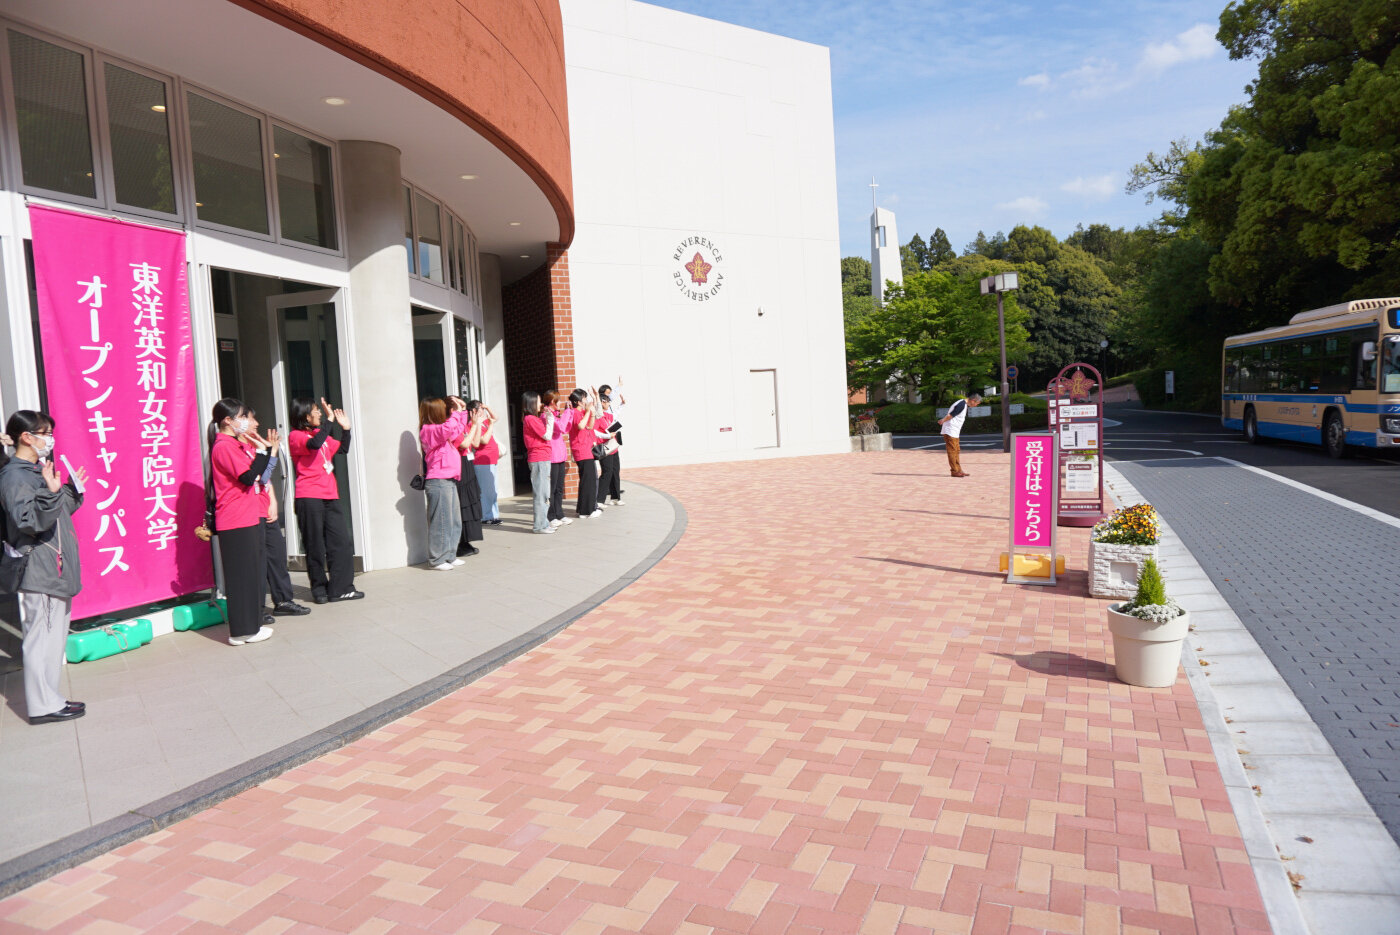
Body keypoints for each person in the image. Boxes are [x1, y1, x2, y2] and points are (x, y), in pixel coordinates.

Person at [0, 412, 88, 724]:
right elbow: (29, 521)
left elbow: (54, 513)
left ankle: (50, 698)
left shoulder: (34, 471)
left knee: (52, 639)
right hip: (40, 567)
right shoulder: (15, 476)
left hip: (53, 566)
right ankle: (42, 705)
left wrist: (69, 491)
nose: (49, 439)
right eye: (44, 433)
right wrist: (51, 495)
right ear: (26, 436)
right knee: (42, 640)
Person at [207, 398, 278, 645]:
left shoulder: (234, 445)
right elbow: (248, 477)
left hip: (246, 515)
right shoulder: (224, 446)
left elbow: (255, 475)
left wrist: (263, 452)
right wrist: (262, 452)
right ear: (228, 420)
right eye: (243, 417)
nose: (247, 422)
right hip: (234, 518)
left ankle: (251, 627)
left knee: (250, 574)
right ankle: (241, 631)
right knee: (241, 577)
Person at [288, 397, 362, 602]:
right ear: (305, 415)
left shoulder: (320, 435)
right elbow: (313, 444)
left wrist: (346, 429)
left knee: (340, 542)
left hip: (330, 495)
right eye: (315, 411)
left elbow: (343, 449)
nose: (319, 413)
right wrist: (329, 421)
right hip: (308, 496)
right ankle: (319, 589)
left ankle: (341, 588)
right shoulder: (296, 436)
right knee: (315, 545)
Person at [254, 418, 311, 619]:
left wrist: (273, 500)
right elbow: (256, 476)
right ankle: (256, 610)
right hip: (251, 511)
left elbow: (265, 478)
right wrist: (271, 452)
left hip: (264, 506)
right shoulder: (236, 448)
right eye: (248, 418)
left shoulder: (254, 444)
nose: (254, 423)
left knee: (276, 556)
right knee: (257, 563)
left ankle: (284, 601)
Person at [419, 395, 472, 569]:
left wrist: (462, 412)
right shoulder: (428, 430)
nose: (446, 412)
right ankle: (437, 559)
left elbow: (456, 429)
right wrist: (456, 413)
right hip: (438, 480)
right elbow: (448, 429)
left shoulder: (440, 430)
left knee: (453, 520)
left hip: (448, 480)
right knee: (441, 521)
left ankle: (449, 554)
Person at [521, 391, 555, 534]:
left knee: (544, 493)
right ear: (531, 403)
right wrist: (550, 418)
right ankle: (539, 526)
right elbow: (547, 435)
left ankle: (543, 523)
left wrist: (547, 417)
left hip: (542, 458)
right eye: (539, 401)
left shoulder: (532, 419)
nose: (541, 404)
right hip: (539, 459)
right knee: (541, 493)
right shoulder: (530, 419)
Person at [454, 402, 485, 557]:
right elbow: (464, 444)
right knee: (463, 504)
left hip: (468, 463)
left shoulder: (467, 425)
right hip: (460, 465)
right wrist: (474, 425)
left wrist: (477, 424)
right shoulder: (456, 427)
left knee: (471, 502)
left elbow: (475, 443)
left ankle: (467, 540)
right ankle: (460, 543)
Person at [567, 389, 602, 518]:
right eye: (584, 398)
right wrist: (587, 412)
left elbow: (589, 426)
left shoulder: (582, 412)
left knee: (588, 480)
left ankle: (584, 509)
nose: (586, 401)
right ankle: (587, 511)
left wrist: (591, 413)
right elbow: (581, 426)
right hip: (581, 450)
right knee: (588, 481)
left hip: (587, 450)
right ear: (577, 401)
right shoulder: (575, 412)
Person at [543, 390, 574, 527]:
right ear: (552, 402)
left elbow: (566, 428)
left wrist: (570, 413)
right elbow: (561, 427)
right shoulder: (546, 415)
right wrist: (567, 412)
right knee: (552, 488)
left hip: (560, 455)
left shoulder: (555, 414)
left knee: (559, 488)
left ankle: (559, 514)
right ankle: (551, 515)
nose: (560, 403)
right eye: (558, 400)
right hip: (552, 457)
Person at [471, 401, 502, 525]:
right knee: (487, 491)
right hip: (482, 461)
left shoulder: (483, 423)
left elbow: (496, 417)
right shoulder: (473, 424)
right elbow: (484, 440)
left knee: (493, 491)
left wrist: (488, 407)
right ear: (474, 411)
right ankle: (486, 516)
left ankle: (494, 515)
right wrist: (491, 426)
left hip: (491, 460)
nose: (483, 411)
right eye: (481, 409)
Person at [937, 392, 981, 477]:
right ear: (973, 400)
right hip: (950, 431)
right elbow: (951, 415)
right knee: (952, 451)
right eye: (976, 403)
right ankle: (954, 471)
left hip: (954, 431)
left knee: (956, 451)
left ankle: (959, 470)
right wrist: (943, 420)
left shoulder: (963, 404)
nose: (976, 406)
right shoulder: (961, 404)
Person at [596, 380, 625, 506]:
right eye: (607, 401)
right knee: (606, 473)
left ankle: (615, 498)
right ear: (601, 402)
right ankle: (599, 500)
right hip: (605, 448)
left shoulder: (608, 415)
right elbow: (597, 432)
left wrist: (622, 405)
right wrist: (608, 434)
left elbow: (616, 414)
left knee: (615, 472)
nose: (609, 403)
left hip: (614, 447)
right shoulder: (598, 416)